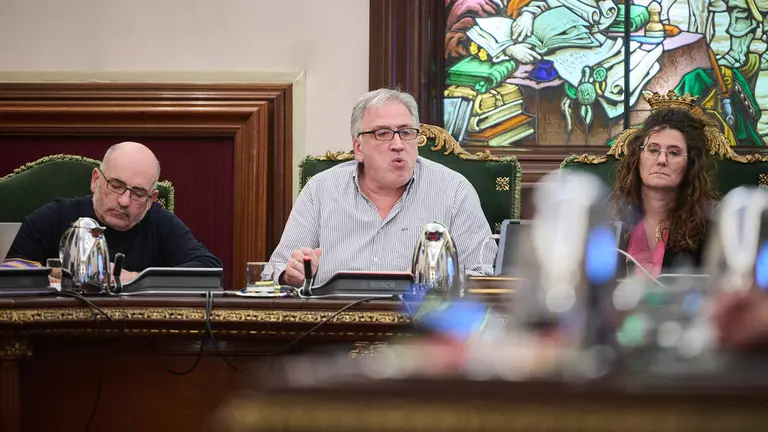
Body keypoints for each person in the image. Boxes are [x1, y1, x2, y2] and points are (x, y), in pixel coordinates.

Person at [268, 88, 497, 288]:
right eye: (383, 133)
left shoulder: (454, 190)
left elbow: (482, 275)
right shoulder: (321, 189)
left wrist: (439, 279)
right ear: (358, 147)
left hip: (422, 328)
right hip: (335, 325)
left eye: (406, 133)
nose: (398, 145)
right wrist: (293, 274)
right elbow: (275, 270)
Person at [7, 142, 221, 282]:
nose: (124, 200)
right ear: (96, 180)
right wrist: (61, 275)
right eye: (116, 185)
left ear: (152, 198)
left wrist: (135, 278)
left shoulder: (158, 220)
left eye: (138, 193)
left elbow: (210, 271)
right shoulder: (57, 215)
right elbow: (9, 265)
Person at [611, 108, 718, 277]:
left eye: (674, 153)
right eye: (653, 150)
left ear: (690, 165)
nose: (661, 160)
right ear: (637, 157)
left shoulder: (711, 228)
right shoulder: (610, 221)